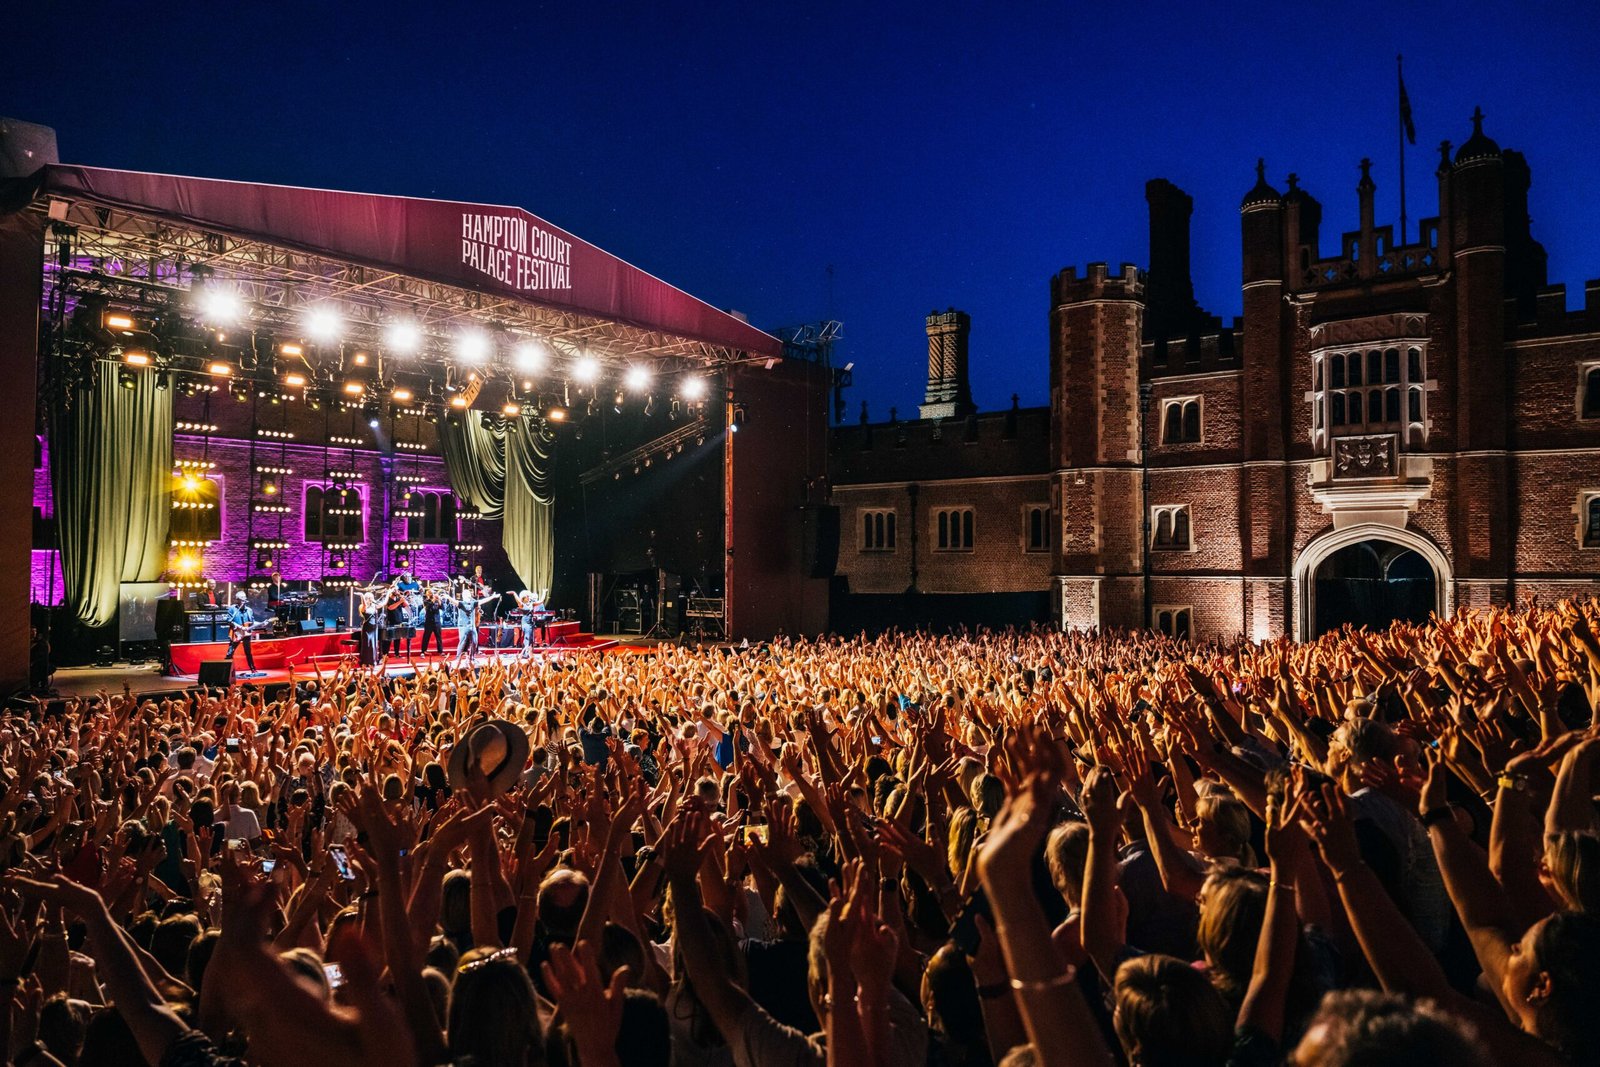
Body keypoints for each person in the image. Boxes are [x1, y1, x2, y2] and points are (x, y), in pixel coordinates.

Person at [224, 591, 260, 676]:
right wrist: (239, 627)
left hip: (246, 634)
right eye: (241, 600)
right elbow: (228, 620)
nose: (243, 602)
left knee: (248, 652)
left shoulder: (249, 610)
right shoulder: (232, 609)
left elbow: (252, 622)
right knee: (230, 652)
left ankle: (253, 669)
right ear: (237, 600)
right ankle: (225, 670)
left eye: (244, 599)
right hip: (237, 633)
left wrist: (261, 623)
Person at [452, 580, 480, 668]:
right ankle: (457, 658)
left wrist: (493, 597)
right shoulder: (461, 604)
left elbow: (482, 601)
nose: (469, 596)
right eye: (467, 595)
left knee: (474, 642)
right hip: (463, 626)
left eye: (469, 595)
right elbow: (453, 601)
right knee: (462, 642)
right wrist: (447, 596)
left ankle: (472, 657)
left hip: (472, 626)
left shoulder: (473, 603)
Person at [418, 585, 445, 657]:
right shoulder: (426, 601)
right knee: (426, 637)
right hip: (429, 621)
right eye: (430, 593)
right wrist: (433, 600)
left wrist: (439, 600)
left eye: (432, 593)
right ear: (427, 594)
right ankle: (423, 651)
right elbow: (428, 607)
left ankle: (440, 651)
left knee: (438, 637)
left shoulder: (436, 600)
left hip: (437, 621)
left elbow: (442, 608)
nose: (432, 594)